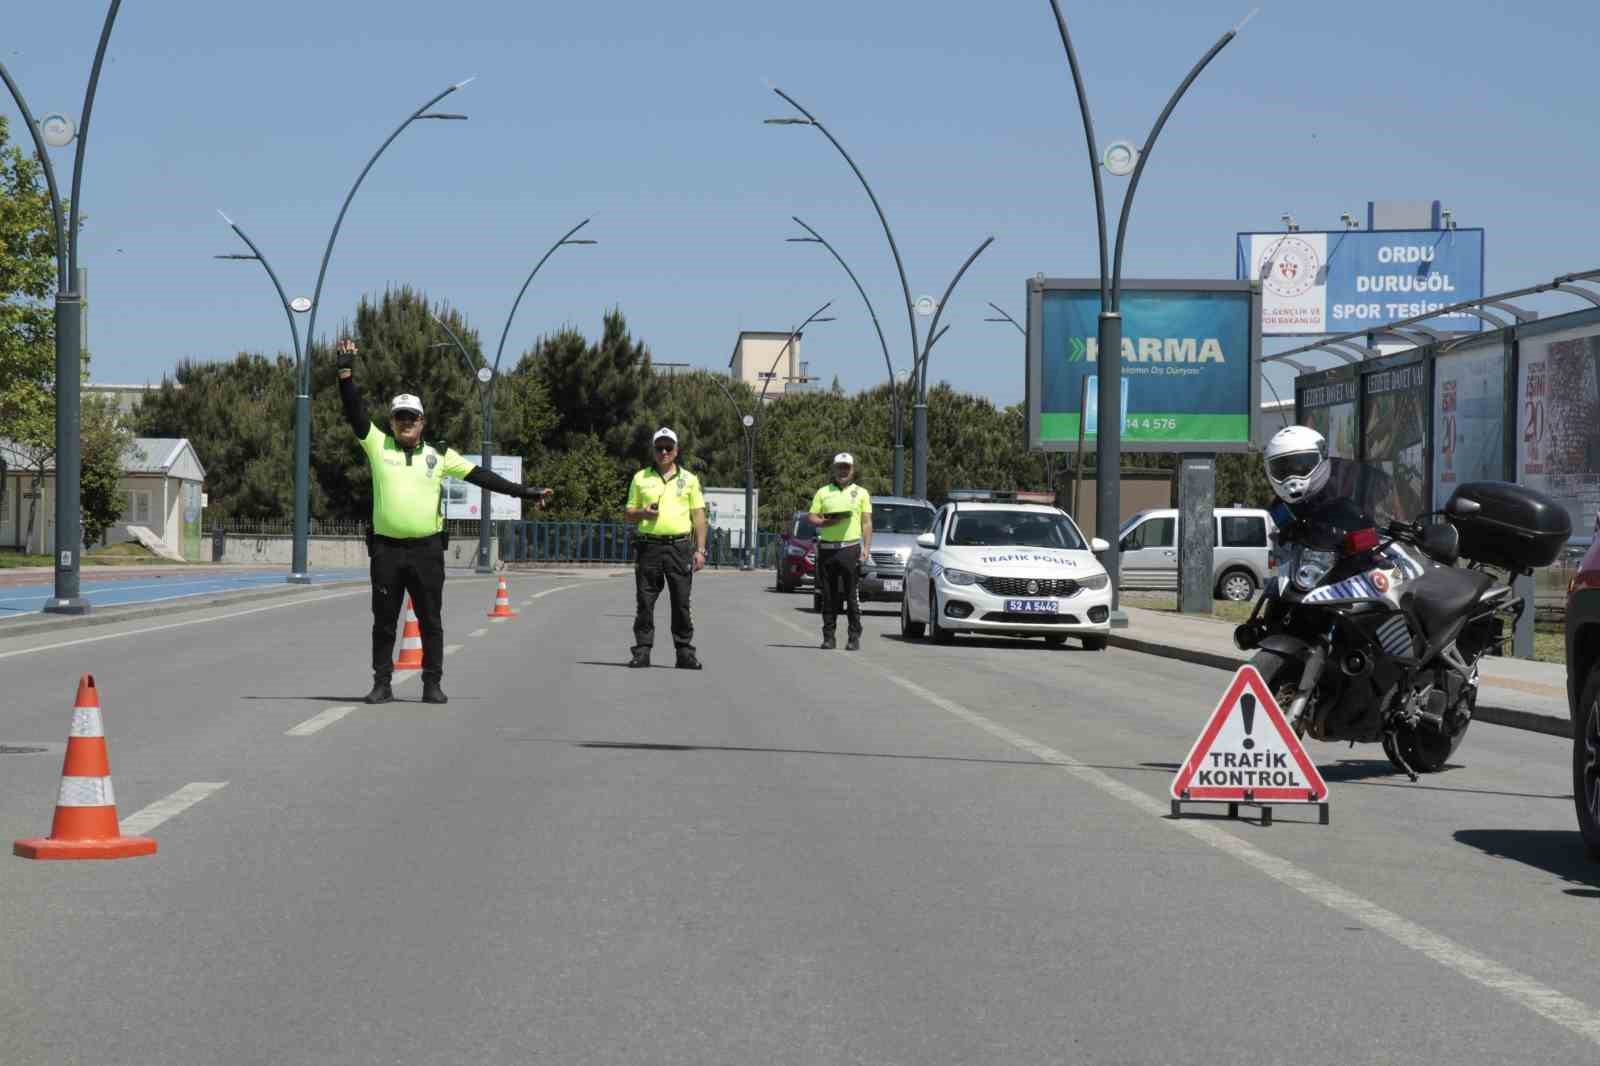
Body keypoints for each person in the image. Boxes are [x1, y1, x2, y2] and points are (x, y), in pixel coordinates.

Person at [336, 338, 552, 705]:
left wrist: (526, 492)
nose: (405, 423)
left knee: (431, 620)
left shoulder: (439, 454)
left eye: (412, 417)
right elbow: (355, 412)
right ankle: (382, 684)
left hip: (427, 551)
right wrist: (345, 373)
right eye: (399, 417)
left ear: (422, 422)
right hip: (387, 551)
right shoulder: (378, 445)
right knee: (384, 622)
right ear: (391, 422)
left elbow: (482, 477)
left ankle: (432, 683)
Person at [622, 427, 707, 670]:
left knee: (681, 601)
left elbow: (699, 516)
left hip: (679, 547)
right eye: (659, 448)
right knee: (645, 601)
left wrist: (700, 550)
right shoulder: (640, 478)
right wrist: (643, 513)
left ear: (676, 451)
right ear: (653, 450)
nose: (664, 452)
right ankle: (642, 651)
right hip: (649, 547)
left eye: (668, 448)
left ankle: (684, 652)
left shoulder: (689, 479)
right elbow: (628, 513)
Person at [807, 452, 872, 650]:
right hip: (827, 549)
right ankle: (829, 637)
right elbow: (812, 516)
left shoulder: (861, 493)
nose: (843, 471)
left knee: (852, 596)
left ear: (852, 470)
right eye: (840, 467)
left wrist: (866, 548)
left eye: (847, 467)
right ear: (834, 469)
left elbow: (866, 522)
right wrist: (826, 522)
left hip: (850, 549)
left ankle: (854, 637)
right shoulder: (823, 492)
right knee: (828, 596)